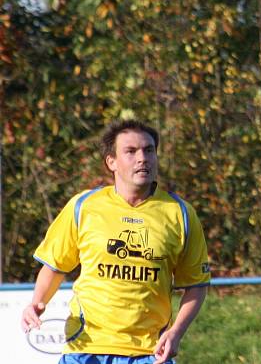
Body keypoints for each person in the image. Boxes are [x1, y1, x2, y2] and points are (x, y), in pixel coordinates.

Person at [21, 119, 211, 364]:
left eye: (149, 150)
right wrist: (36, 303)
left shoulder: (180, 213)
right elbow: (55, 266)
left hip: (149, 353)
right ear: (111, 162)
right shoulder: (84, 206)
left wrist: (176, 332)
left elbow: (197, 284)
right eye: (131, 152)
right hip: (86, 347)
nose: (142, 158)